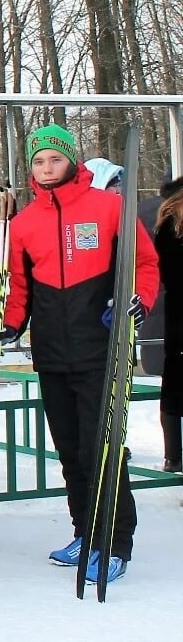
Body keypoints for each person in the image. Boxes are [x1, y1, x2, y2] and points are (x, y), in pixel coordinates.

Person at [0, 124, 160, 584]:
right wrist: (12, 324)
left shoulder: (109, 207)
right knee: (70, 450)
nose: (47, 168)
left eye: (55, 159)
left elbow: (145, 263)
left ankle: (115, 540)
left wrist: (138, 301)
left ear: (72, 160)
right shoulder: (25, 221)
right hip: (50, 351)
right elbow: (21, 286)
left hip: (101, 348)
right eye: (39, 161)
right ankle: (84, 531)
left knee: (103, 448)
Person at [153, 178, 183, 473]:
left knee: (173, 382)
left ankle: (173, 454)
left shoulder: (165, 223)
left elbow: (163, 271)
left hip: (176, 312)